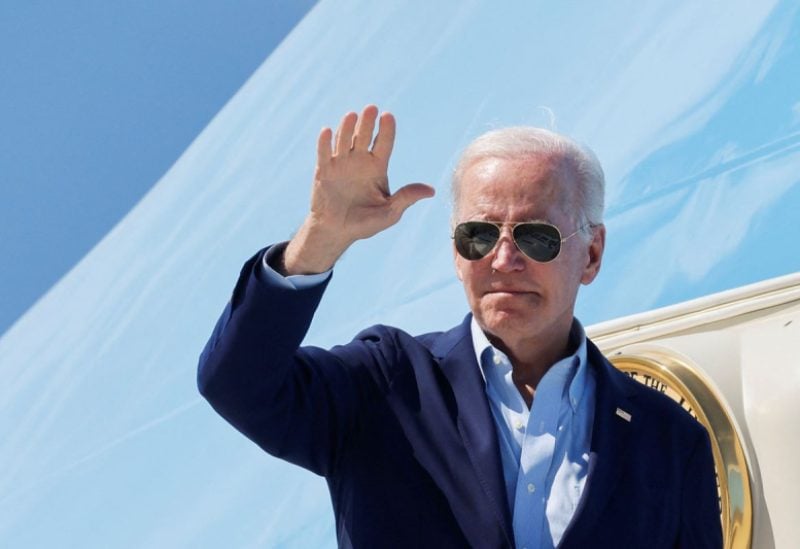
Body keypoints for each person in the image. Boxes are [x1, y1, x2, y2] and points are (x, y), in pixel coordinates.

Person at [198, 105, 722, 548]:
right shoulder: (385, 385)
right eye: (478, 235)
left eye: (536, 237)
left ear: (592, 254)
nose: (503, 258)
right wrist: (319, 240)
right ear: (455, 252)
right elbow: (237, 383)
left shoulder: (671, 443)